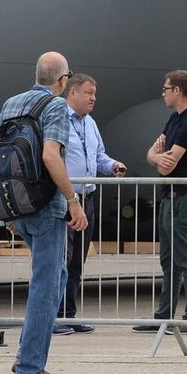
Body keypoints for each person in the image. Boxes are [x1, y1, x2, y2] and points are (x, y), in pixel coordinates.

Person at [0, 52, 88, 374]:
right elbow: (51, 155)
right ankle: (30, 367)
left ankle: (26, 352)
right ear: (63, 81)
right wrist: (72, 200)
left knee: (55, 276)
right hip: (45, 206)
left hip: (16, 203)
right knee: (46, 285)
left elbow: (0, 154)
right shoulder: (55, 107)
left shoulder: (11, 104)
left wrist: (7, 208)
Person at [138, 70, 187, 333]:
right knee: (168, 258)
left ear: (177, 90)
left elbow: (166, 166)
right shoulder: (175, 119)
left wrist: (158, 158)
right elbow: (153, 156)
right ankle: (164, 314)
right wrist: (157, 157)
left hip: (186, 197)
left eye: (166, 89)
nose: (163, 93)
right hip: (170, 197)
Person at [58, 72, 123, 334]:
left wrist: (113, 166)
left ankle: (68, 313)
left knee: (77, 261)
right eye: (88, 93)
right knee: (62, 257)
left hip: (88, 197)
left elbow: (98, 156)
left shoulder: (90, 123)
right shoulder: (58, 118)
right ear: (72, 92)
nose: (93, 98)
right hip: (65, 198)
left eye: (94, 94)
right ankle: (55, 316)